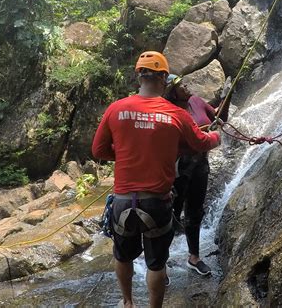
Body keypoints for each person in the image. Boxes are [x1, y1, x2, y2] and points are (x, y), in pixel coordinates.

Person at [92, 51, 221, 308]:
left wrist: (127, 152)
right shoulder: (176, 114)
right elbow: (199, 143)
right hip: (156, 202)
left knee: (123, 255)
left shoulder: (116, 109)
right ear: (163, 78)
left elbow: (98, 151)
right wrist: (217, 136)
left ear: (138, 76)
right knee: (156, 264)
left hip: (122, 200)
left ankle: (127, 302)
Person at [164, 74, 232, 276]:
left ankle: (194, 257)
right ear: (171, 92)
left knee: (195, 211)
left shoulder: (196, 101)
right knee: (172, 214)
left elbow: (220, 118)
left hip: (200, 164)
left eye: (185, 82)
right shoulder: (168, 112)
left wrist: (227, 96)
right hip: (178, 169)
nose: (187, 85)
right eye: (181, 85)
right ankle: (161, 263)